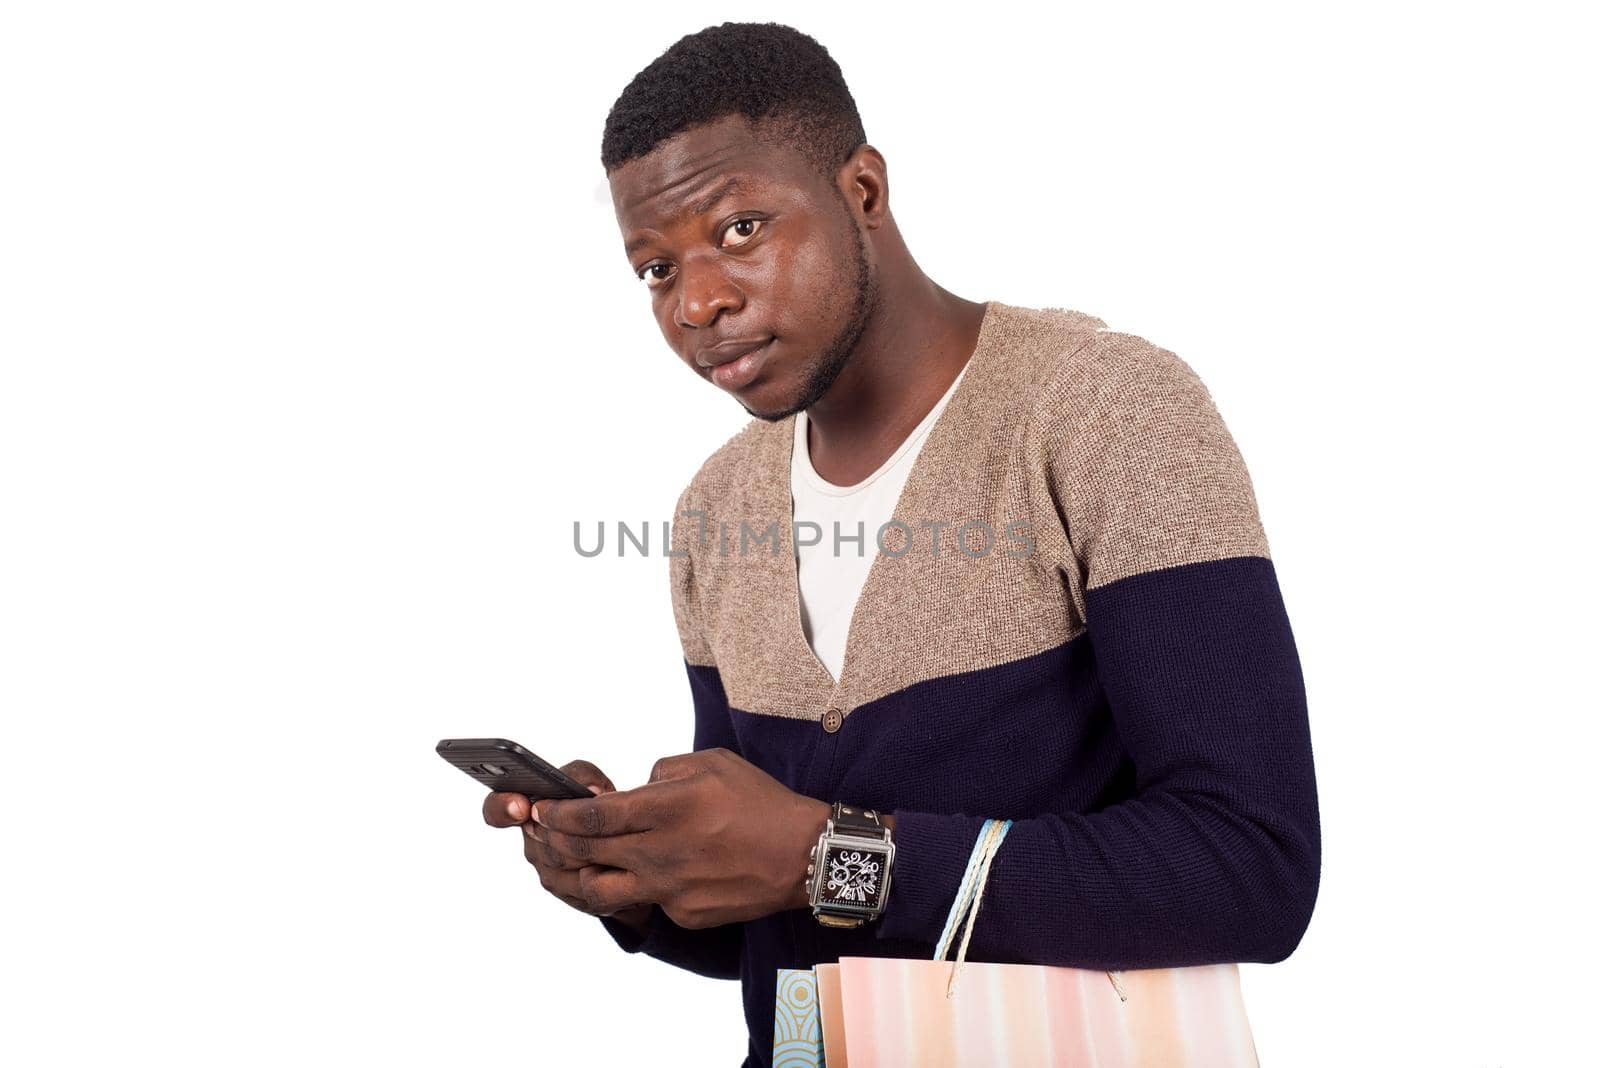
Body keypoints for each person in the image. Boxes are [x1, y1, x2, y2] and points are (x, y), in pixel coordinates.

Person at [480, 21, 1320, 1068]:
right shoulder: (713, 513)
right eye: (655, 268)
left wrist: (826, 854)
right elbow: (785, 916)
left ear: (863, 192)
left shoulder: (1098, 411)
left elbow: (1249, 870)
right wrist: (649, 884)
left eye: (740, 227)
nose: (697, 302)